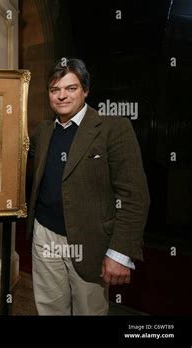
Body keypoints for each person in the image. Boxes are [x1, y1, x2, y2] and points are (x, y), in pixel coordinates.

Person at [26, 58, 150, 315]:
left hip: (89, 242)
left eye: (70, 88)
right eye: (54, 89)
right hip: (44, 235)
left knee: (88, 311)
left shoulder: (113, 128)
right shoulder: (44, 130)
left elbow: (134, 196)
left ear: (86, 90)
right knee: (49, 309)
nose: (61, 96)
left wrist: (119, 253)